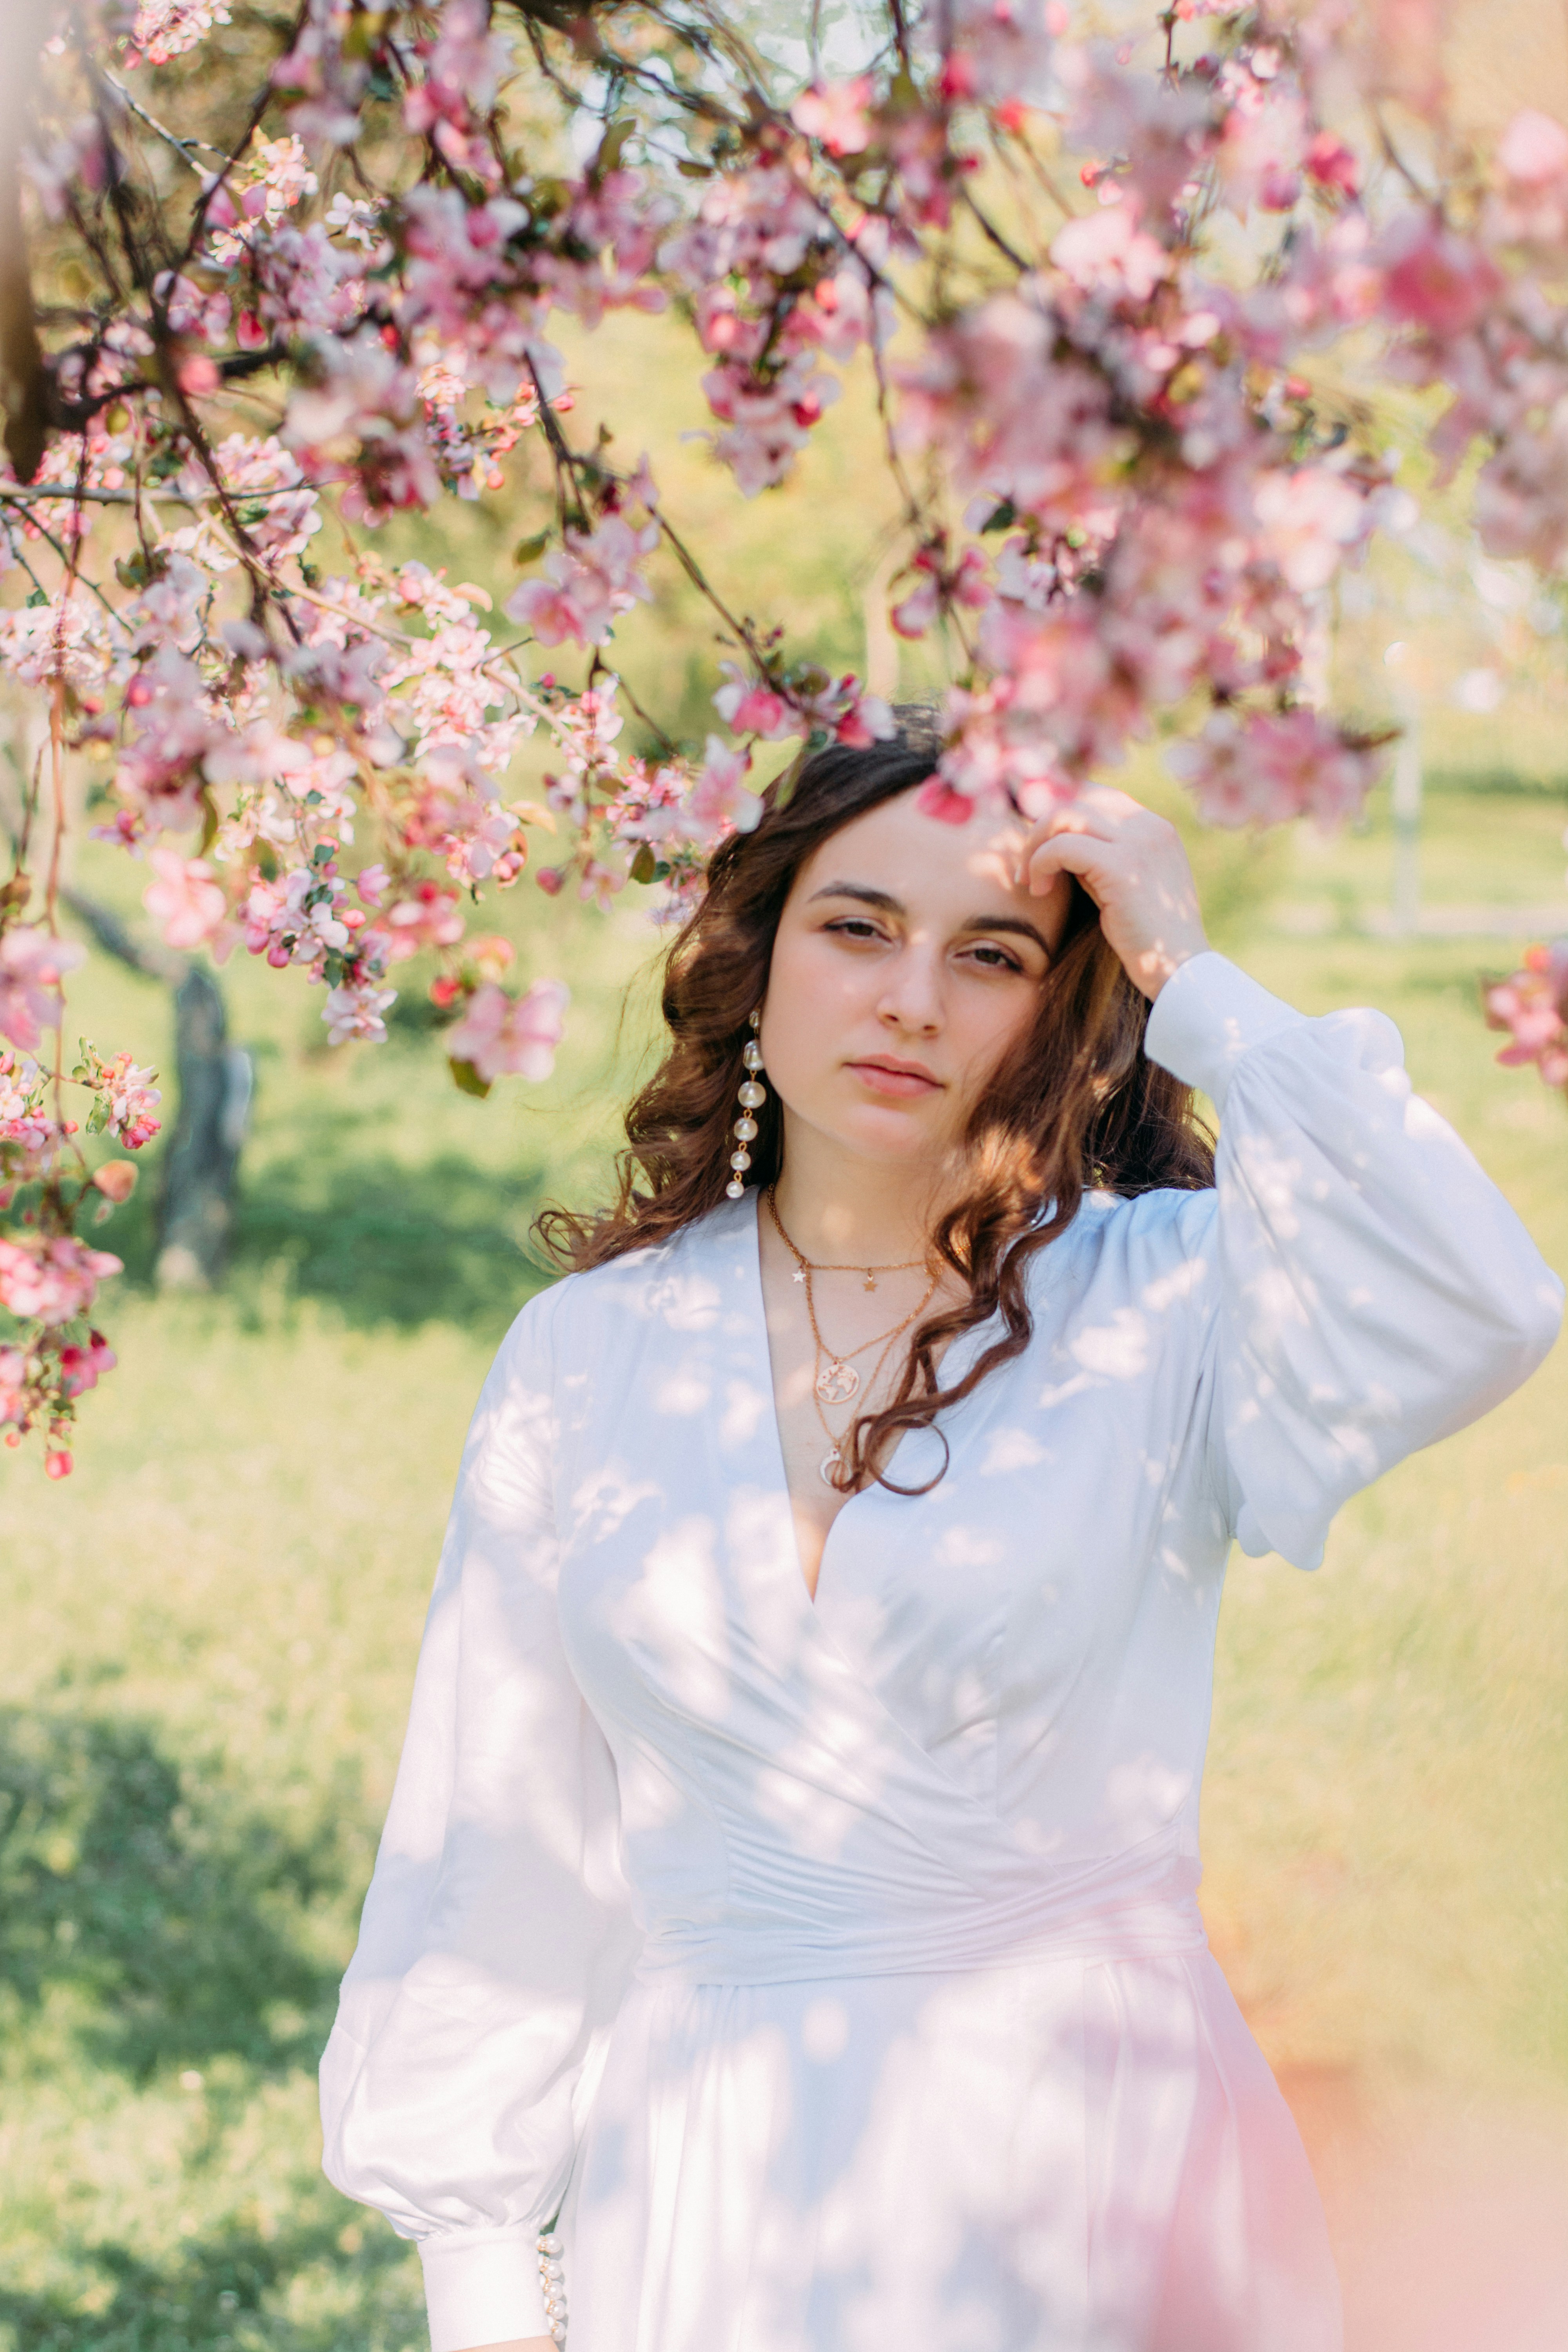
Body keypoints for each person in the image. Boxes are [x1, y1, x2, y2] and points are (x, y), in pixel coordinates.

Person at [318, 723, 1563, 2352]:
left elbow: (1475, 1298)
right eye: (856, 929)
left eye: (989, 955)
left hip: (1083, 2171)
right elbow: (497, 1838)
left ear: (1065, 1011)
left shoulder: (1163, 1304)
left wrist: (1191, 971)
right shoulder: (587, 1355)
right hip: (707, 2178)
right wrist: (484, 2282)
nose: (911, 999)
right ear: (753, 964)